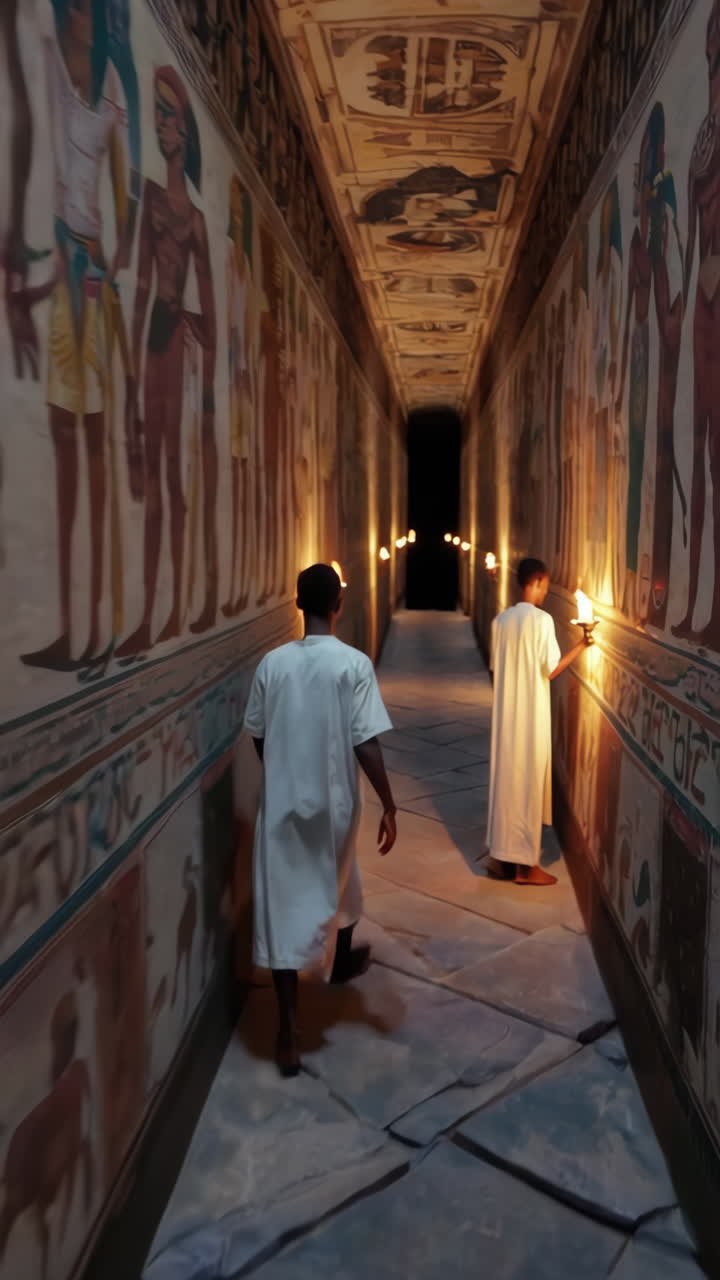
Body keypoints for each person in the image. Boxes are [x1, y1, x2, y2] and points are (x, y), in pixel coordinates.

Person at [243, 564, 397, 1076]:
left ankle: (290, 1026)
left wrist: (286, 768)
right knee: (337, 870)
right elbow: (365, 743)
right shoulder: (352, 665)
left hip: (284, 804)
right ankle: (339, 956)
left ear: (296, 604)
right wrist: (390, 804)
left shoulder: (273, 665)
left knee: (288, 901)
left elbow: (260, 737)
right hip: (334, 805)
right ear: (339, 604)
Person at [486, 559, 592, 887]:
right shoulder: (541, 621)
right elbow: (549, 669)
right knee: (528, 786)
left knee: (506, 787)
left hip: (505, 720)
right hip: (530, 719)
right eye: (546, 585)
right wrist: (582, 645)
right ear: (538, 580)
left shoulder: (500, 622)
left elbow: (496, 668)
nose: (546, 592)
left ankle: (502, 859)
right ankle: (526, 868)